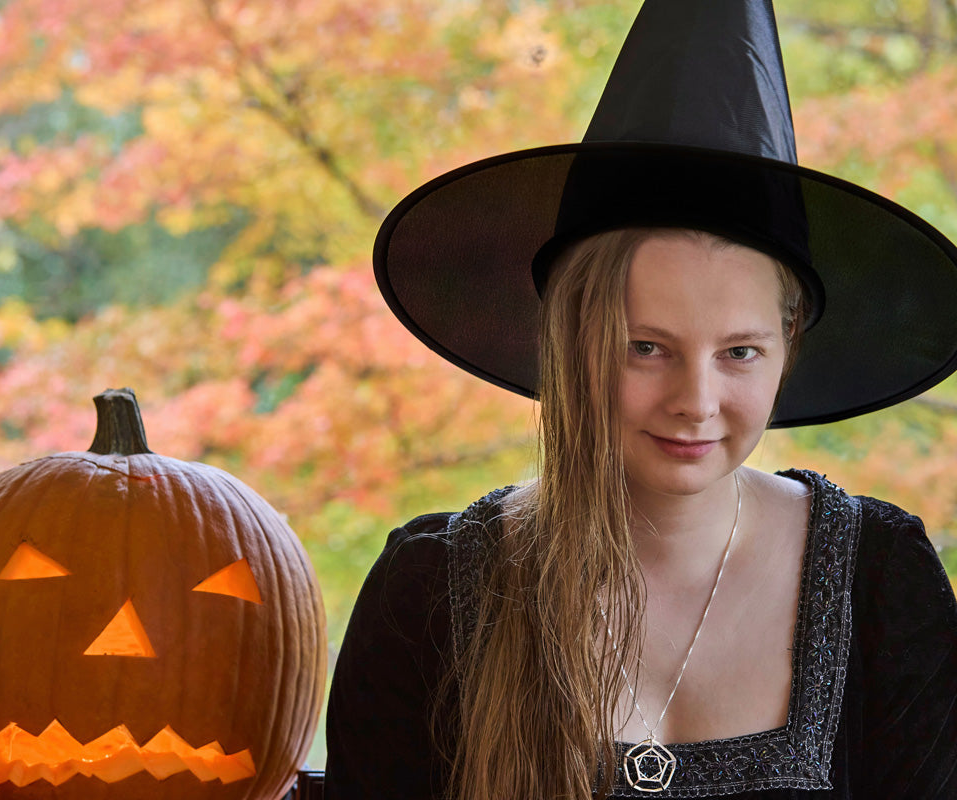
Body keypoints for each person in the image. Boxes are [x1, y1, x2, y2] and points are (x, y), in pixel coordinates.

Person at [326, 2, 957, 798]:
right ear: (570, 339)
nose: (696, 401)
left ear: (789, 345)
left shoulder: (882, 584)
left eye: (739, 353)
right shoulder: (427, 595)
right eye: (646, 348)